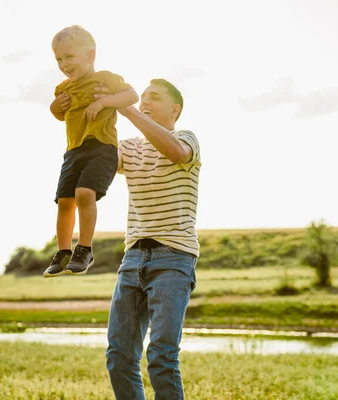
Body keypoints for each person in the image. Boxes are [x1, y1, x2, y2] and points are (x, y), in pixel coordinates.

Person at [97, 79, 201, 399]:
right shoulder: (129, 147)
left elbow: (175, 151)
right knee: (119, 358)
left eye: (153, 98)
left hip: (174, 257)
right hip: (133, 257)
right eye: (142, 97)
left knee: (161, 358)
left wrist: (128, 111)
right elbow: (98, 165)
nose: (145, 101)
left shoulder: (187, 139)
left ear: (175, 109)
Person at [44, 25, 139, 278]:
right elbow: (60, 115)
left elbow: (132, 95)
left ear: (90, 55)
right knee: (64, 201)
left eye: (69, 57)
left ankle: (84, 249)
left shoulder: (106, 78)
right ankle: (63, 252)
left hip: (102, 146)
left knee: (84, 193)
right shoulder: (63, 88)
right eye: (59, 59)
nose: (64, 64)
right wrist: (54, 107)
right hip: (73, 150)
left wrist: (104, 101)